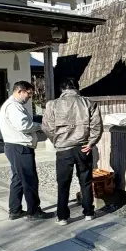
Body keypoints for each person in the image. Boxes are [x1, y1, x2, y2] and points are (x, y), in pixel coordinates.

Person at [42, 78, 103, 225]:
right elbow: (97, 126)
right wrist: (91, 143)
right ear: (76, 87)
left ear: (62, 89)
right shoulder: (88, 103)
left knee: (63, 183)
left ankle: (63, 216)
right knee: (86, 181)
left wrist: (57, 141)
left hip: (63, 149)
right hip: (83, 147)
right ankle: (89, 212)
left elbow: (47, 127)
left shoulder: (53, 104)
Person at [0, 81, 52, 221]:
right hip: (20, 146)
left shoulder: (13, 105)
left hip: (14, 146)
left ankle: (15, 210)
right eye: (28, 93)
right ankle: (34, 211)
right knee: (29, 179)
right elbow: (23, 125)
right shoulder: (13, 106)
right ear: (19, 91)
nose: (30, 97)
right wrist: (39, 126)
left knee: (17, 178)